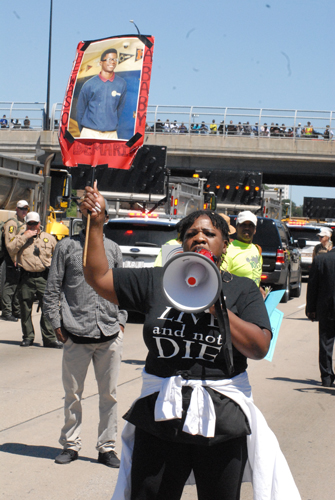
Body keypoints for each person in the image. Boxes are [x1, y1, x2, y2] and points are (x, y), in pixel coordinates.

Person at [81, 186, 301, 500]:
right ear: (182, 244)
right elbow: (98, 276)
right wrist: (97, 224)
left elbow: (259, 346)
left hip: (221, 418)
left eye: (209, 233)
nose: (198, 237)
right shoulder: (158, 281)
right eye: (191, 233)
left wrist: (217, 305)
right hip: (160, 416)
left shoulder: (241, 290)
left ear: (225, 244)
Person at [43, 202, 127, 467]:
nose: (92, 219)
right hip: (75, 334)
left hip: (109, 333)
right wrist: (56, 324)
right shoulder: (66, 247)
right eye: (88, 214)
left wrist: (121, 321)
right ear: (81, 216)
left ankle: (107, 447)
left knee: (109, 396)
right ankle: (70, 444)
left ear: (106, 218)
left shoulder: (113, 249)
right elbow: (52, 288)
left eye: (97, 214)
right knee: (73, 395)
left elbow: (122, 288)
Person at [9, 211, 61, 347]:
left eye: (34, 223)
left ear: (39, 224)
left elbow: (57, 257)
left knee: (47, 309)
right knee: (25, 309)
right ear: (26, 224)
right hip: (26, 278)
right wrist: (24, 237)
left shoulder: (48, 238)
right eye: (29, 223)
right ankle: (28, 336)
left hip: (44, 278)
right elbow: (11, 249)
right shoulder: (20, 237)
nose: (32, 226)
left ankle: (49, 338)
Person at [76, 48, 127, 139]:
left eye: (115, 59)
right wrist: (85, 131)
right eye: (109, 59)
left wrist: (110, 125)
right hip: (90, 132)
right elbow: (80, 110)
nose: (112, 62)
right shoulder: (89, 84)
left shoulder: (121, 84)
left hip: (111, 134)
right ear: (100, 63)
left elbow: (119, 109)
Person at [306, 248, 335, 387]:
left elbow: (312, 285)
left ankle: (327, 377)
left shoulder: (320, 260)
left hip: (327, 308)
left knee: (325, 342)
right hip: (327, 307)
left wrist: (311, 309)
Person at [1, 200, 29, 321]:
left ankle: (16, 311)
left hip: (20, 259)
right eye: (22, 209)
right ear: (16, 210)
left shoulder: (22, 223)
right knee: (10, 285)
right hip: (11, 258)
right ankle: (7, 312)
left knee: (18, 286)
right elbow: (9, 245)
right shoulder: (12, 224)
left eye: (26, 209)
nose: (24, 211)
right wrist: (14, 259)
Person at [222, 210, 263, 287]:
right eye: (243, 225)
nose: (247, 228)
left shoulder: (257, 249)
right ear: (237, 227)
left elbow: (255, 276)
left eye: (251, 225)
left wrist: (259, 289)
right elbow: (222, 280)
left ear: (255, 230)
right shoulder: (228, 250)